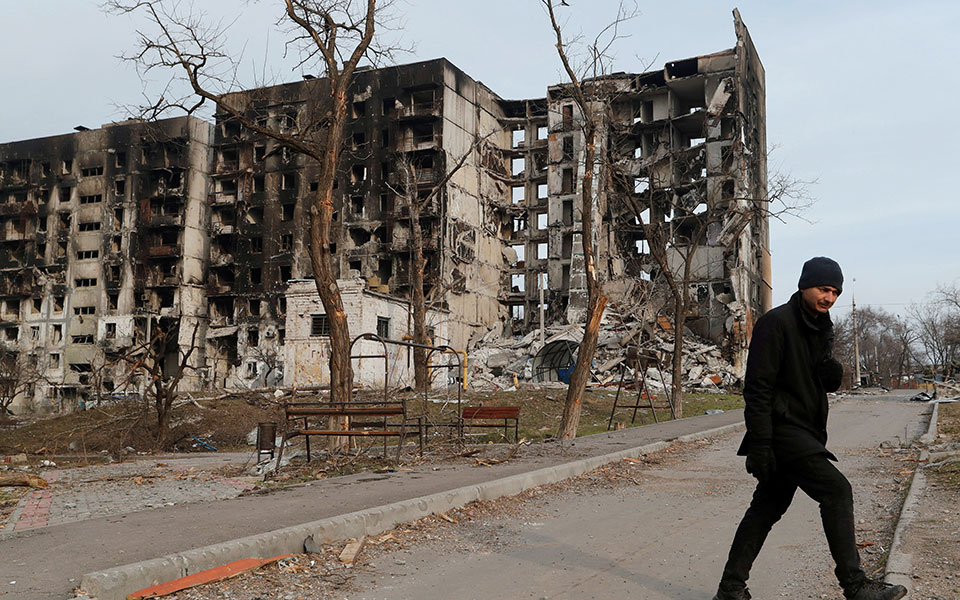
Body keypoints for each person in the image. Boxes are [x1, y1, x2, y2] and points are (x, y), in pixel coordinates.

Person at [712, 257, 907, 600]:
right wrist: (760, 443)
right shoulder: (776, 323)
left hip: (805, 428)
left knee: (766, 508)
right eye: (823, 289)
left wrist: (831, 367)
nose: (829, 297)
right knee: (836, 491)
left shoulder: (821, 325)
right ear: (804, 285)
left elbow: (819, 379)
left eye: (834, 292)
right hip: (783, 429)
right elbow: (757, 388)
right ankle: (855, 585)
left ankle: (730, 588)